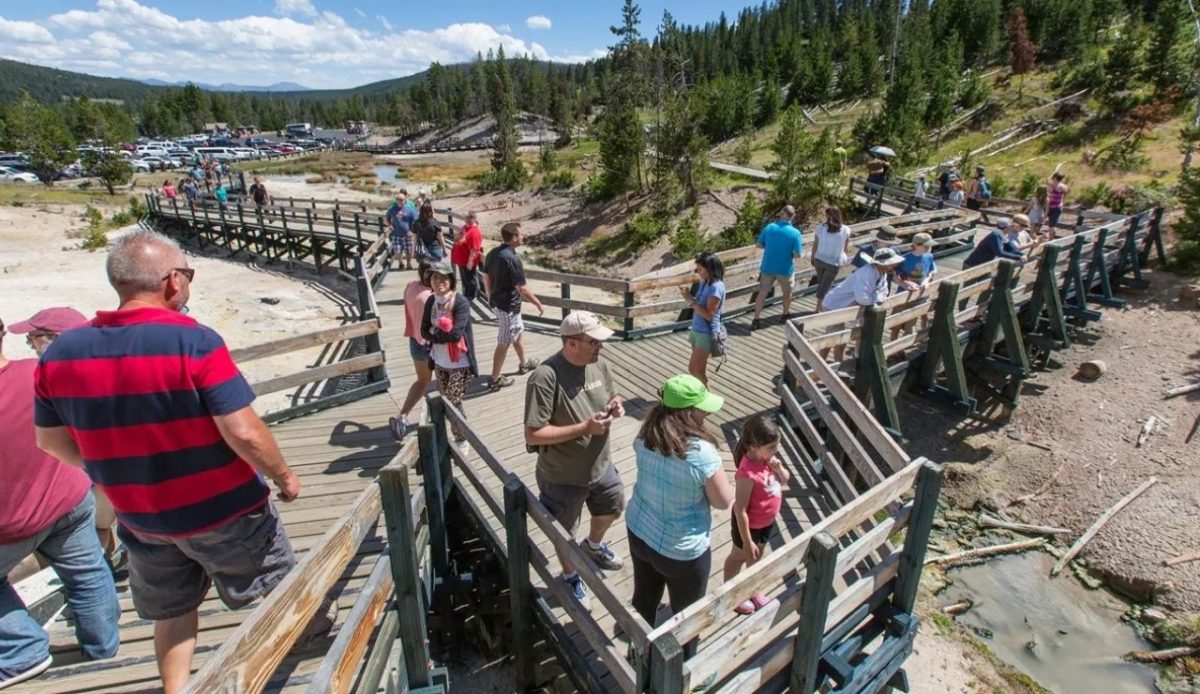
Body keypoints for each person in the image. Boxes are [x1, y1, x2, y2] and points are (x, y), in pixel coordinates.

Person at [33, 230, 312, 694]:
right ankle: (302, 671)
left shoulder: (60, 353)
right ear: (172, 282)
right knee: (277, 593)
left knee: (173, 610)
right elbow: (242, 429)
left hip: (141, 517)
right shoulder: (192, 340)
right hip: (223, 509)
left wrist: (113, 466)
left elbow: (50, 443)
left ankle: (176, 689)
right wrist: (282, 474)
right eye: (188, 275)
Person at [0, 317, 120, 689]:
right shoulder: (39, 371)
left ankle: (22, 650)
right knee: (87, 572)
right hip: (68, 498)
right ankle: (104, 647)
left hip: (13, 522)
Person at [524, 311, 626, 607]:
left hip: (601, 465)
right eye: (594, 342)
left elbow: (612, 396)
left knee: (614, 506)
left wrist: (615, 406)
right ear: (571, 344)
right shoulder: (545, 377)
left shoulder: (598, 364)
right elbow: (533, 435)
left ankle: (593, 546)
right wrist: (584, 428)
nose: (600, 347)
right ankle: (570, 576)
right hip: (562, 476)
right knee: (564, 535)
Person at [8, 308, 121, 572]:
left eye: (34, 337)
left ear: (54, 338)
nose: (30, 344)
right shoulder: (98, 366)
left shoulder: (60, 378)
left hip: (100, 488)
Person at [624, 375, 733, 633]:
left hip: (639, 531)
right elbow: (723, 500)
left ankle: (637, 653)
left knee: (644, 599)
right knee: (688, 620)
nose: (705, 414)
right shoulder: (701, 453)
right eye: (701, 409)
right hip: (681, 551)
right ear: (689, 412)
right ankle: (681, 668)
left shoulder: (645, 435)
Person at [721, 415, 788, 615]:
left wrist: (779, 468)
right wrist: (747, 540)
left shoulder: (767, 460)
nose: (775, 451)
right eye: (771, 447)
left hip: (766, 521)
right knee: (738, 556)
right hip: (749, 526)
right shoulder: (746, 473)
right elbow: (740, 509)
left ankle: (752, 588)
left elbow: (785, 480)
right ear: (753, 446)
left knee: (757, 557)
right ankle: (732, 593)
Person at [420, 262, 478, 443]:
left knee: (453, 401)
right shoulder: (431, 301)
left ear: (451, 280)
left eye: (443, 277)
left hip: (460, 362)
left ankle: (462, 439)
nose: (439, 282)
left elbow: (455, 335)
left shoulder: (460, 302)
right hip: (440, 361)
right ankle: (458, 434)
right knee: (447, 401)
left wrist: (433, 334)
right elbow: (422, 331)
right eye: (435, 278)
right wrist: (436, 334)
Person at [483, 223, 544, 390]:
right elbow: (522, 288)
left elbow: (485, 277)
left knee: (517, 332)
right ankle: (495, 378)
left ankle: (524, 364)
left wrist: (489, 296)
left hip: (499, 303)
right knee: (504, 342)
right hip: (507, 307)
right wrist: (538, 303)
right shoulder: (512, 259)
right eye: (521, 235)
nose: (523, 237)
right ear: (514, 238)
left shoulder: (492, 253)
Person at [389, 262, 434, 441]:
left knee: (422, 381)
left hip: (414, 341)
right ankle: (440, 418)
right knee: (444, 381)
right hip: (429, 344)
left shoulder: (410, 287)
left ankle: (402, 416)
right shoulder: (430, 297)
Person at [750, 205, 803, 330]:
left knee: (762, 293)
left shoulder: (769, 228)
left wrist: (770, 247)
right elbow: (798, 254)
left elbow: (759, 244)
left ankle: (756, 319)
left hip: (768, 266)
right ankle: (785, 314)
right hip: (785, 268)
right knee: (787, 293)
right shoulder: (795, 233)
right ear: (793, 216)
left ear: (781, 213)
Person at [681, 252, 725, 385]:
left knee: (694, 369)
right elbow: (700, 304)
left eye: (700, 269)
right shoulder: (705, 282)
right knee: (699, 370)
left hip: (705, 333)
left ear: (710, 269)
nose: (698, 272)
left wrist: (690, 301)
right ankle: (701, 398)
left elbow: (709, 315)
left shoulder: (716, 288)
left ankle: (706, 399)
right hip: (697, 329)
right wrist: (688, 296)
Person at [822, 247, 906, 311]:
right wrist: (876, 298)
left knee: (857, 330)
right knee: (837, 331)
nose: (895, 265)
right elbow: (862, 298)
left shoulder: (883, 273)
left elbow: (884, 292)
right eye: (891, 263)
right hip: (835, 304)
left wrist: (873, 297)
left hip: (849, 305)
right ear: (882, 264)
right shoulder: (867, 273)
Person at [811, 206, 852, 312]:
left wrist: (812, 256)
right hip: (833, 262)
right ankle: (819, 308)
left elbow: (815, 244)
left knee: (822, 284)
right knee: (825, 285)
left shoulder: (820, 227)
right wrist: (843, 258)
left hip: (819, 259)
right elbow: (845, 248)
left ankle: (820, 307)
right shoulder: (846, 230)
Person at [451, 212, 484, 301]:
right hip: (461, 259)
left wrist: (470, 262)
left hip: (467, 260)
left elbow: (474, 249)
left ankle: (471, 296)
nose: (466, 220)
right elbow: (458, 236)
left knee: (470, 279)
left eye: (468, 219)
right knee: (464, 279)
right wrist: (458, 236)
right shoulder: (465, 227)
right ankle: (466, 294)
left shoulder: (475, 232)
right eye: (465, 219)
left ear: (473, 219)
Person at [1047, 166, 1069, 231]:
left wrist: (1053, 173)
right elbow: (1065, 195)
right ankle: (1051, 239)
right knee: (1053, 225)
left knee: (1040, 222)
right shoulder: (1064, 187)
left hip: (1049, 206)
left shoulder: (1052, 184)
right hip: (1058, 206)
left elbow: (1048, 179)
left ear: (1055, 177)